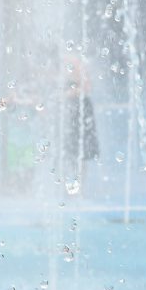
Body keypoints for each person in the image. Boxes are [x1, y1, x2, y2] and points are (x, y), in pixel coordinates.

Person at [62, 55, 99, 193]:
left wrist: (73, 91)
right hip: (69, 111)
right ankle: (67, 187)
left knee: (81, 151)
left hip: (82, 111)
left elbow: (87, 87)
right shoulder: (62, 73)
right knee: (68, 151)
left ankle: (79, 187)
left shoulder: (81, 72)